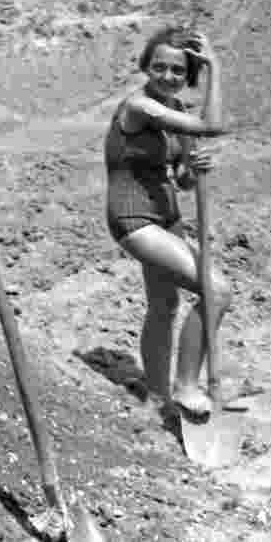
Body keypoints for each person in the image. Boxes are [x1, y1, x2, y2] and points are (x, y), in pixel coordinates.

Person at [104, 24, 232, 416]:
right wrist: (214, 67)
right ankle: (186, 385)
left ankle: (158, 398)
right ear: (146, 66)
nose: (168, 76)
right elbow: (213, 125)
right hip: (134, 217)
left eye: (178, 70)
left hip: (166, 216)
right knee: (216, 290)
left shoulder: (177, 112)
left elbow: (184, 180)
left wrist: (196, 166)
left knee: (164, 304)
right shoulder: (139, 107)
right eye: (159, 66)